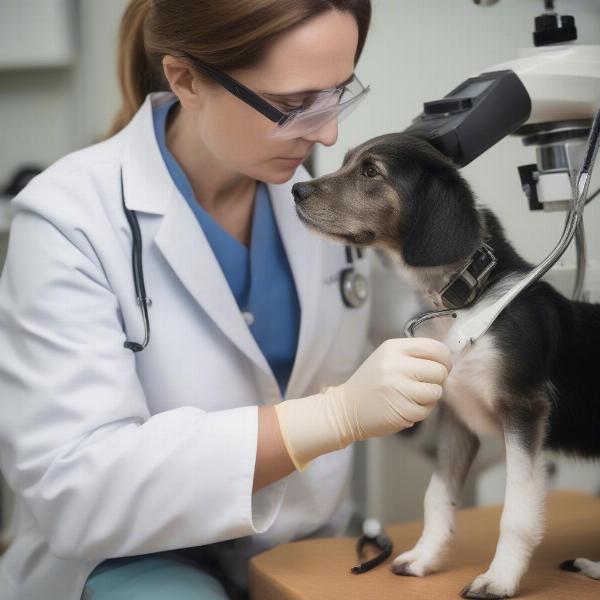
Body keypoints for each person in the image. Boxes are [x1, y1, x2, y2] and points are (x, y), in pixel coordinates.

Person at [0, 1, 452, 599]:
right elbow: (76, 487)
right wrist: (330, 418)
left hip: (302, 544)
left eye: (337, 93)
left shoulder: (325, 198)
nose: (327, 131)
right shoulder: (68, 219)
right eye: (294, 106)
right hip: (128, 558)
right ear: (186, 79)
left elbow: (424, 334)